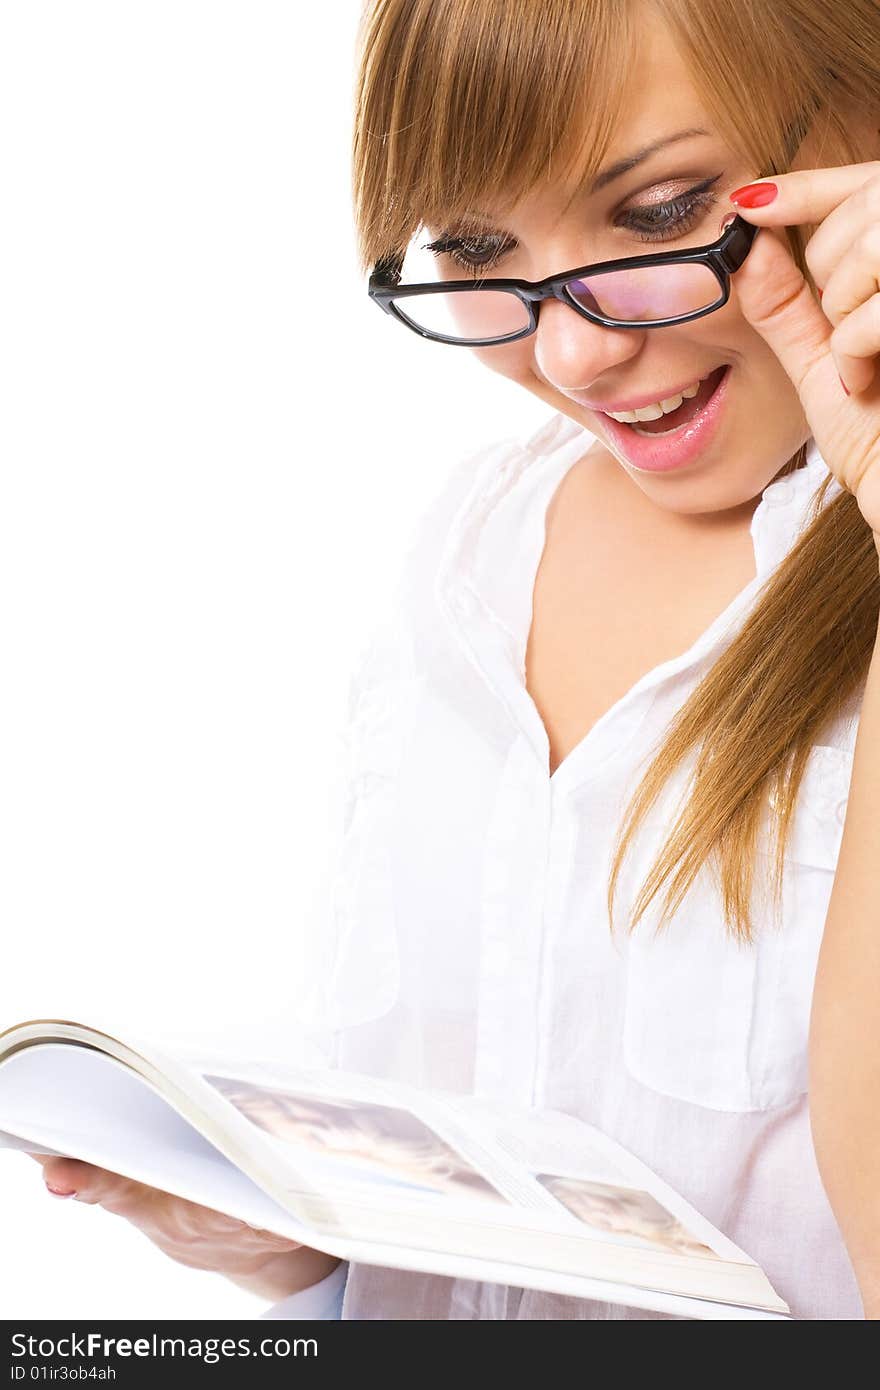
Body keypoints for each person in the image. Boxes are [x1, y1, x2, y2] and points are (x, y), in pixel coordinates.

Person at [30, 0, 880, 1320]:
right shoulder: (468, 555)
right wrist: (307, 1240)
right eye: (480, 246)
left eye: (658, 214)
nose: (574, 351)